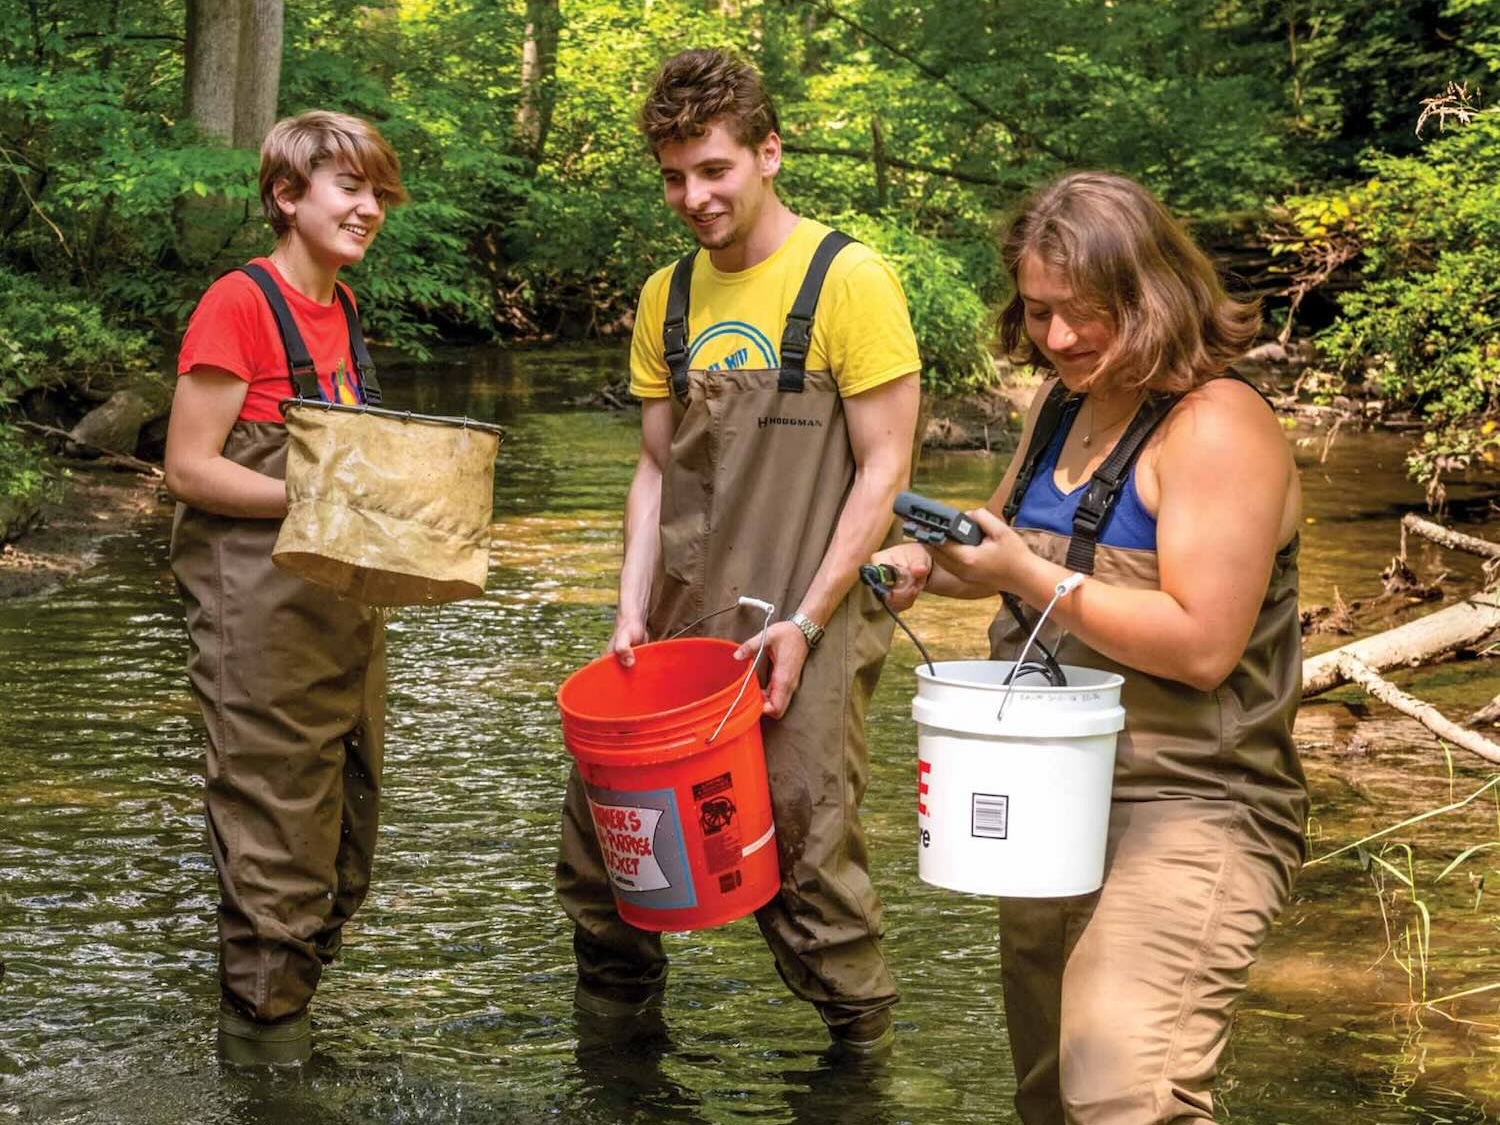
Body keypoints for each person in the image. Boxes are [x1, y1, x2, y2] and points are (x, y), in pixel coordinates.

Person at [873, 171, 1306, 1122]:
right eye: (1037, 314)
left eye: (1083, 314)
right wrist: (924, 560)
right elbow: (1001, 547)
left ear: (1149, 296)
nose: (1058, 339)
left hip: (1194, 805)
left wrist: (1029, 577)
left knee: (1124, 1095)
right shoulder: (1061, 403)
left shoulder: (1218, 426)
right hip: (1050, 791)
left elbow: (1202, 645)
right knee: (1048, 1095)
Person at [555, 47, 922, 1057]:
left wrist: (805, 622)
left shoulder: (848, 280)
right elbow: (652, 470)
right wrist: (629, 610)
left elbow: (886, 469)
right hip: (676, 624)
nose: (694, 196)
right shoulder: (662, 297)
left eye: (713, 169)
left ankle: (860, 1073)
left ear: (769, 152)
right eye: (674, 176)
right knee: (606, 861)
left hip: (811, 615)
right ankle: (620, 1083)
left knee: (805, 868)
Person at [164, 110, 407, 1066]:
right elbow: (188, 468)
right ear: (287, 195)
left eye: (377, 191)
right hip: (257, 619)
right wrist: (317, 492)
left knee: (347, 825)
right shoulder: (239, 303)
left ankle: (282, 1025)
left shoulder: (341, 309)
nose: (368, 208)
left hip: (343, 613)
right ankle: (265, 1063)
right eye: (349, 187)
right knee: (273, 846)